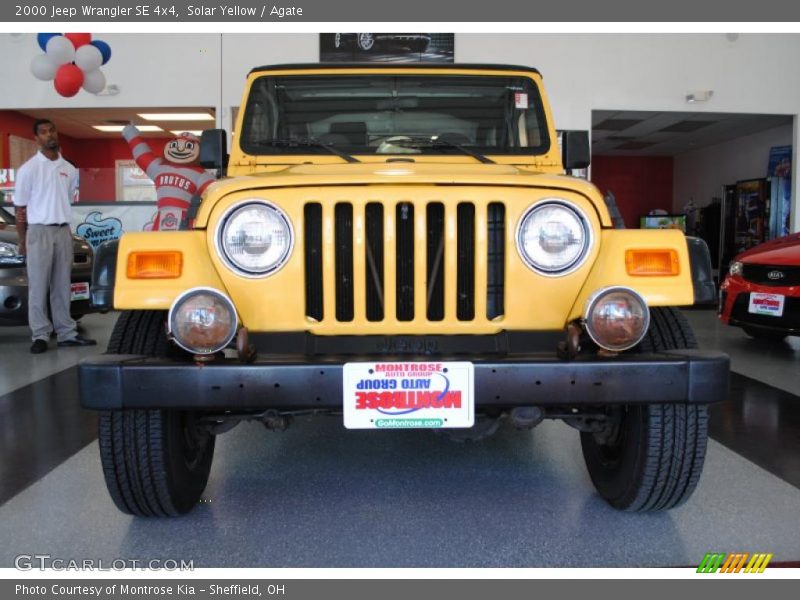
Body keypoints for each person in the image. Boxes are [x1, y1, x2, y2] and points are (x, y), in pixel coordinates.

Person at [13, 119, 96, 354]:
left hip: (62, 231)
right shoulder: (29, 169)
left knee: (62, 285)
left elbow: (67, 198)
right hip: (38, 231)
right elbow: (21, 209)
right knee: (38, 286)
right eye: (43, 132)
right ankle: (40, 334)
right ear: (36, 139)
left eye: (52, 131)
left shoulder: (69, 169)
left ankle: (66, 333)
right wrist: (22, 240)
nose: (49, 135)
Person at [122, 123, 215, 230]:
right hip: (180, 224)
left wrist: (130, 132)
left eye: (189, 146)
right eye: (175, 145)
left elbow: (142, 156)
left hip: (184, 224)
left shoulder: (199, 174)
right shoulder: (160, 167)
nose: (180, 149)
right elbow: (142, 156)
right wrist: (130, 132)